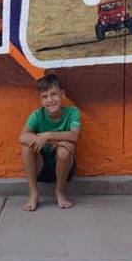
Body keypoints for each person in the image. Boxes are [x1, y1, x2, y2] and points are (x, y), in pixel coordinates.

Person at [19, 72, 80, 211]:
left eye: (54, 94)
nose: (50, 100)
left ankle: (60, 192)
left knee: (64, 150)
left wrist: (47, 136)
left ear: (62, 94)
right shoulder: (37, 115)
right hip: (41, 168)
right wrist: (56, 141)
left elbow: (74, 136)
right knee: (26, 147)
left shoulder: (73, 112)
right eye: (45, 96)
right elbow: (22, 137)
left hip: (65, 168)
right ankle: (33, 193)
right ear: (41, 100)